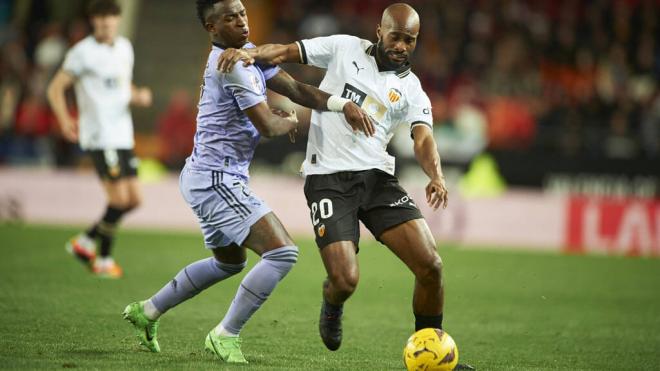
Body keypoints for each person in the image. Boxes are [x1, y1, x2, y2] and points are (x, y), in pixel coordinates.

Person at [218, 3, 474, 369]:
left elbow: (423, 138)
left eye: (410, 40)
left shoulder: (413, 90)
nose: (401, 45)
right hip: (329, 180)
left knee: (431, 266)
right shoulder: (344, 48)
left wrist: (437, 175)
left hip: (378, 180)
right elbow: (287, 51)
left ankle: (430, 351)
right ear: (379, 30)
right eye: (396, 36)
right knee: (345, 280)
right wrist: (248, 52)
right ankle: (332, 302)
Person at [121, 0, 374, 364]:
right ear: (212, 28)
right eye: (230, 17)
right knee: (283, 253)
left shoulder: (248, 57)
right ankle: (225, 335)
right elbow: (269, 126)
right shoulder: (234, 68)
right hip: (216, 178)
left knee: (229, 263)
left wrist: (340, 104)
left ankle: (148, 311)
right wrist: (288, 121)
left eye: (241, 13)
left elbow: (298, 90)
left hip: (207, 174)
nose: (242, 21)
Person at [47, 0, 152, 278]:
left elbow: (122, 84)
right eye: (100, 17)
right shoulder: (81, 53)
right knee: (118, 200)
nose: (106, 22)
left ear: (117, 19)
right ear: (93, 20)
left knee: (134, 200)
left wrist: (137, 94)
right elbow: (55, 88)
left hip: (123, 133)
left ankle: (84, 242)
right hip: (100, 135)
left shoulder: (124, 47)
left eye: (110, 17)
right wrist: (64, 119)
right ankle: (103, 260)